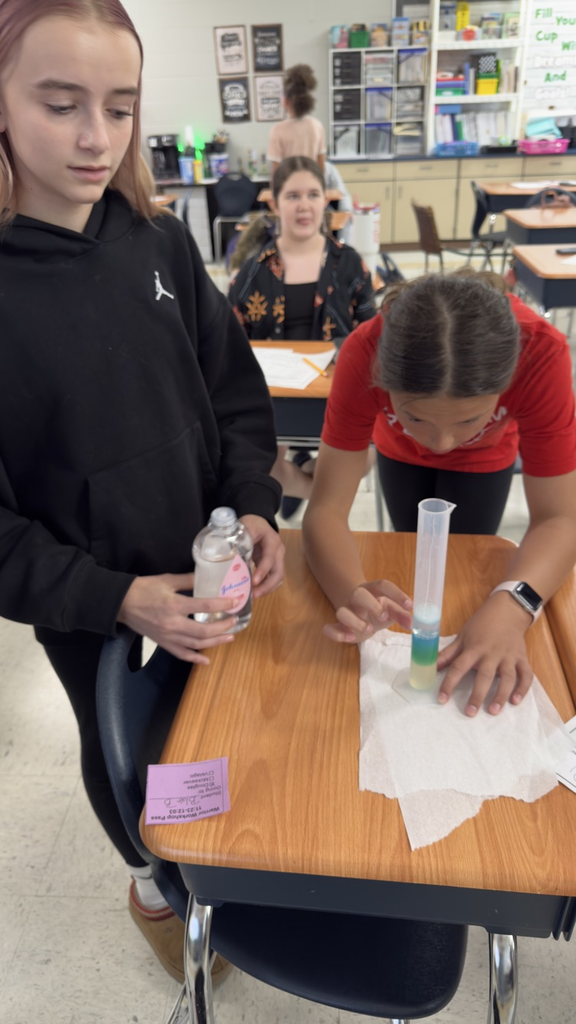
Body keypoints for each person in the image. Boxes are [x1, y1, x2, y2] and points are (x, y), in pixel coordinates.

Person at [0, 0, 284, 987]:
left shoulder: (155, 243)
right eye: (60, 103)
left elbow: (233, 392)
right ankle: (161, 883)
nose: (95, 138)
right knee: (139, 764)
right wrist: (115, 595)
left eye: (119, 108)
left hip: (216, 574)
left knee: (223, 741)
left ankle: (218, 869)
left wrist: (253, 504)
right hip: (98, 616)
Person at [302, 270, 576, 718]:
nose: (442, 442)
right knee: (408, 556)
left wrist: (512, 607)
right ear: (386, 384)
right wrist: (350, 592)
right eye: (418, 417)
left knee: (469, 572)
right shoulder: (364, 353)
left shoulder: (541, 353)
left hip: (486, 462)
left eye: (469, 419)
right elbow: (326, 510)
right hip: (397, 454)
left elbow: (561, 519)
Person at [229, 155, 375, 517]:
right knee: (263, 466)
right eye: (293, 196)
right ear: (275, 203)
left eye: (312, 194)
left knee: (372, 452)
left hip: (336, 390)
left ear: (325, 200)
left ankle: (301, 481)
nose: (304, 205)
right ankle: (309, 485)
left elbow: (371, 333)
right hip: (277, 398)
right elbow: (231, 341)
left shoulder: (349, 263)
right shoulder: (254, 269)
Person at [267, 64, 326, 179]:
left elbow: (276, 172)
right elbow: (321, 166)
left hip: (290, 189)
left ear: (286, 101)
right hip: (312, 185)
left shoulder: (277, 130)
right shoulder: (317, 126)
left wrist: (275, 194)